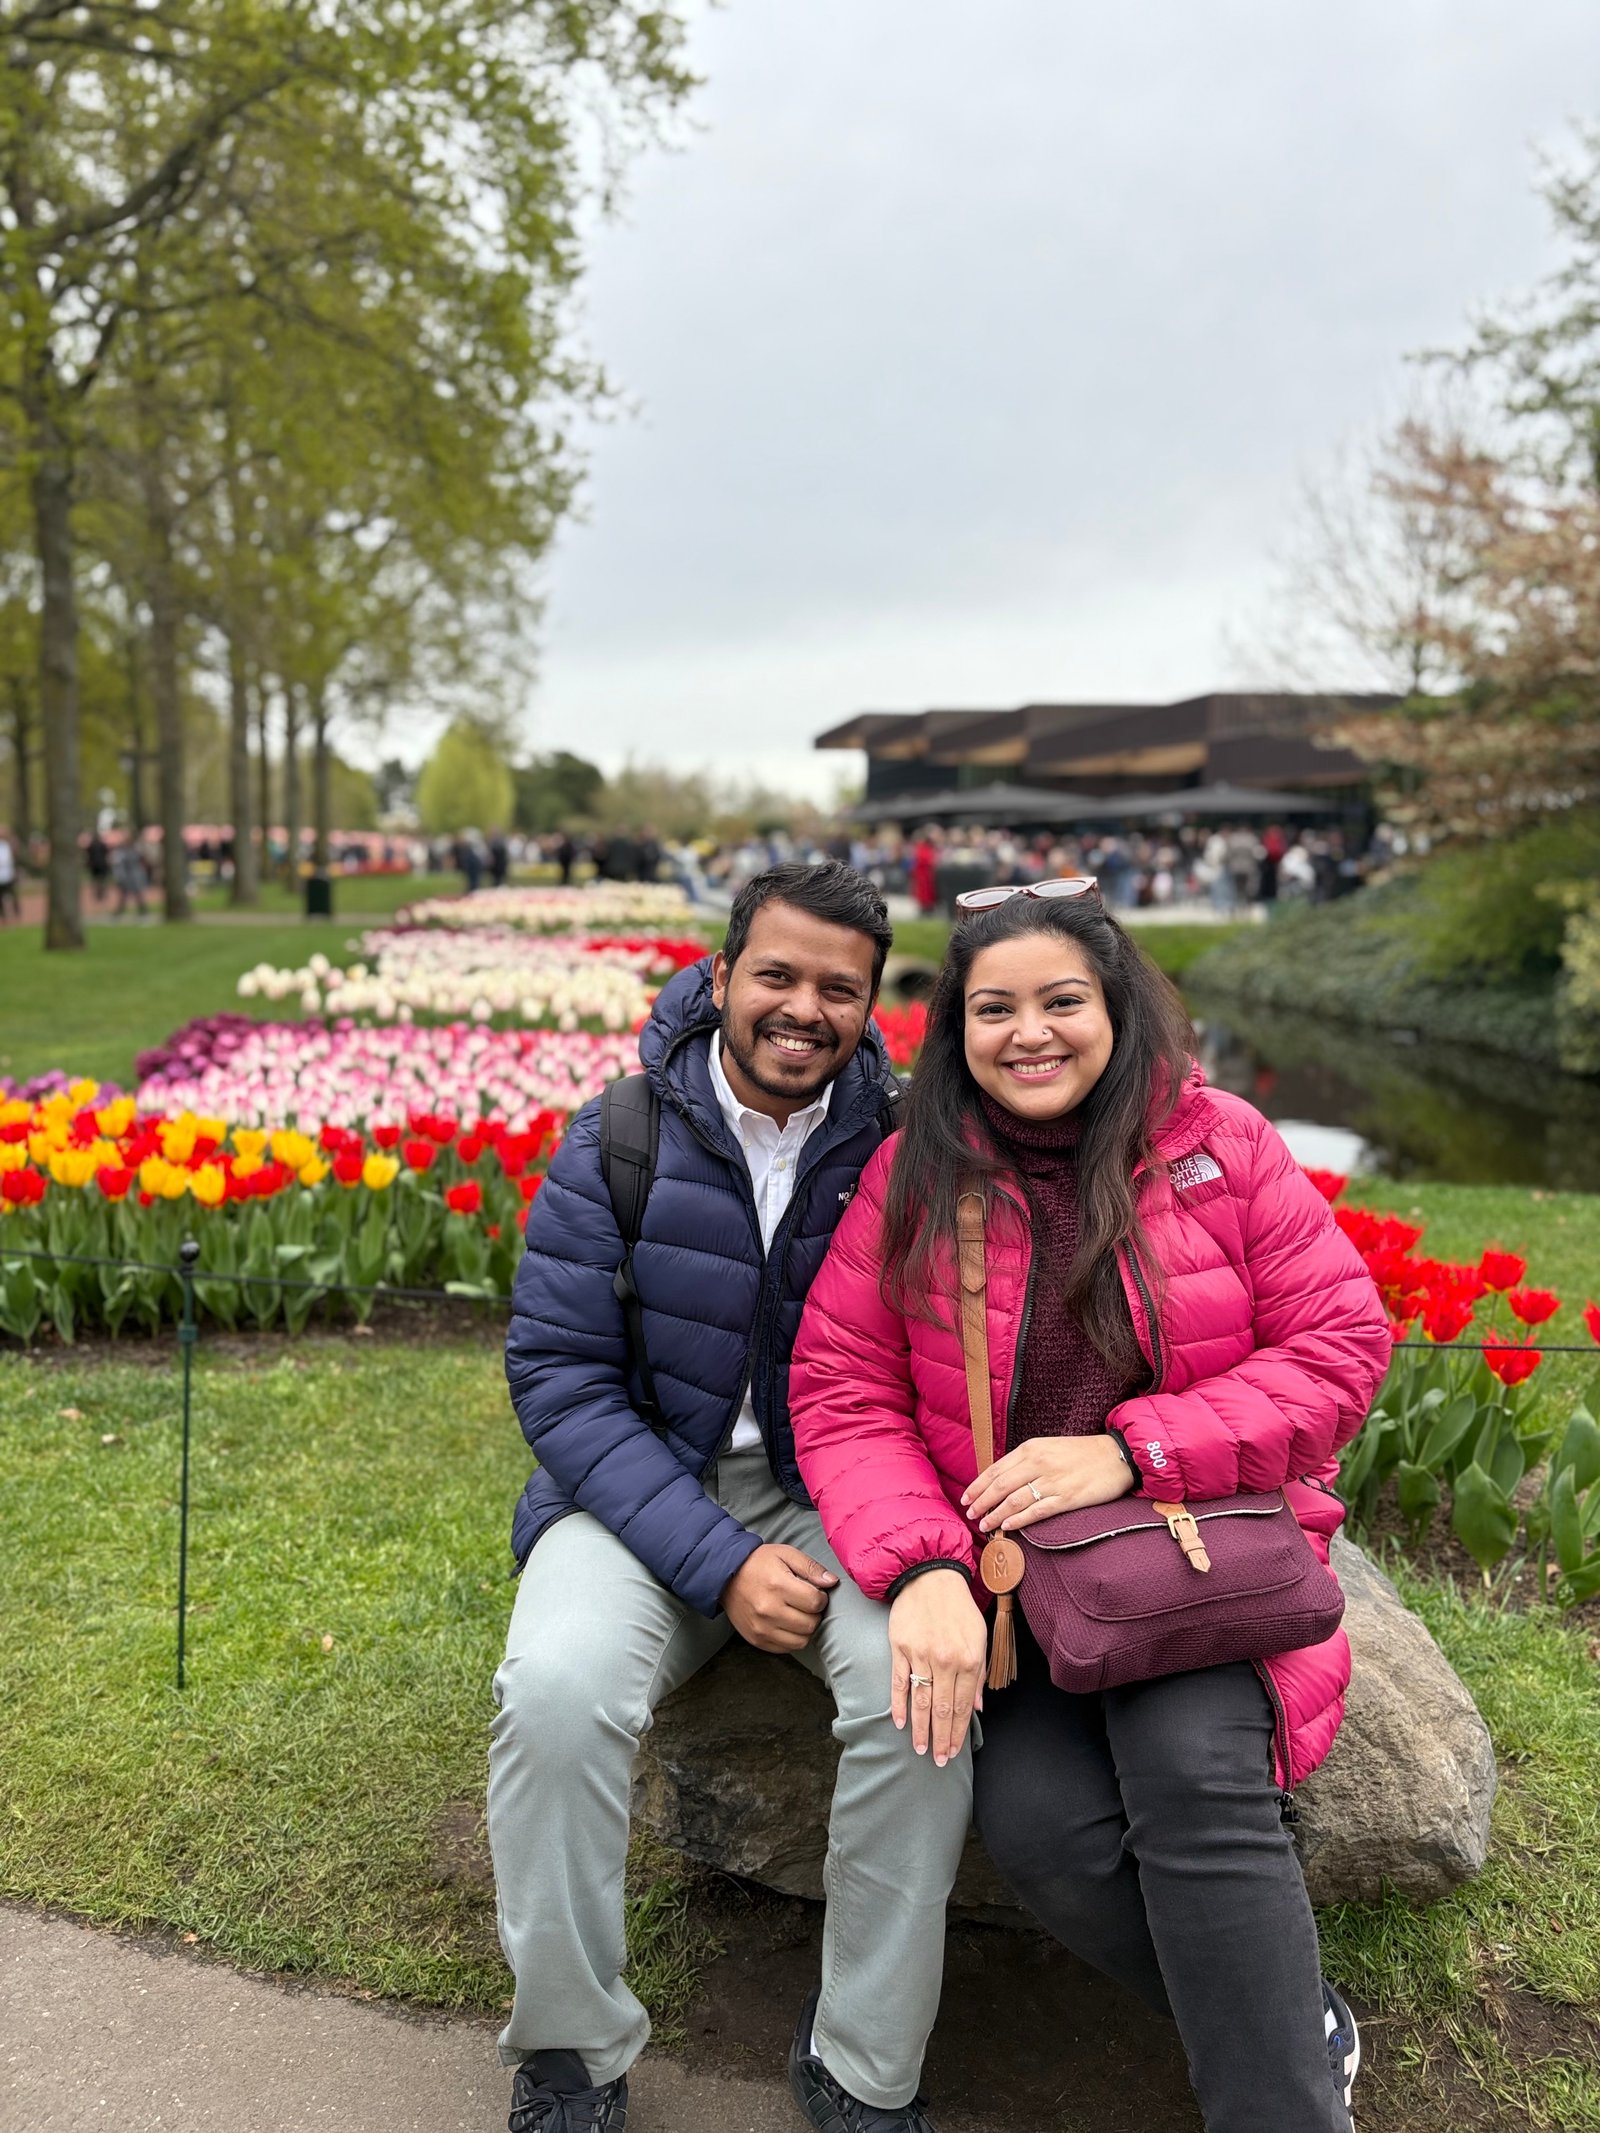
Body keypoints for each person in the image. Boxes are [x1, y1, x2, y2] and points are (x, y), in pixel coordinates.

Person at [789, 880, 1390, 2133]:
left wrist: (1133, 1449)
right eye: (993, 1008)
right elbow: (844, 1391)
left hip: (1193, 1553)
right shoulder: (916, 1174)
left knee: (1188, 1771)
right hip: (1024, 1590)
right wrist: (926, 1567)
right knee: (1046, 1833)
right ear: (955, 1030)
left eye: (1062, 1000)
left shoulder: (1218, 1143)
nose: (1031, 1033)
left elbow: (1338, 1346)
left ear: (1114, 1006)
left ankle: (1279, 2109)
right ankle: (1301, 2027)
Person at [491, 861, 973, 2133]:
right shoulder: (619, 1135)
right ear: (721, 979)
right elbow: (561, 1377)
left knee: (922, 1703)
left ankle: (863, 2070)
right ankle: (569, 2055)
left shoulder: (907, 1142)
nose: (803, 1008)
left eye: (839, 988)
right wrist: (715, 1560)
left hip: (845, 1494)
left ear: (872, 1007)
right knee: (555, 1692)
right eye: (777, 974)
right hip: (639, 1493)